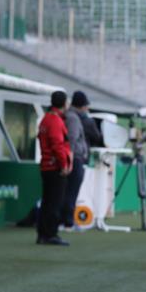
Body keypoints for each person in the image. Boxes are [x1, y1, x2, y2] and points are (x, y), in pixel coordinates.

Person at [36, 90, 72, 245]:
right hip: (55, 167)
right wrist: (64, 164)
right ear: (64, 104)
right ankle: (51, 234)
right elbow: (58, 145)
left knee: (47, 201)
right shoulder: (56, 121)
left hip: (46, 166)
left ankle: (43, 234)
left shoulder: (45, 119)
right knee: (55, 202)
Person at [61, 91, 90, 232]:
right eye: (85, 106)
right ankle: (68, 223)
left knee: (69, 192)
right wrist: (70, 159)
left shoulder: (71, 116)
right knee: (71, 192)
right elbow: (71, 139)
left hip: (73, 158)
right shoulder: (73, 118)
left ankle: (67, 221)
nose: (87, 109)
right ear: (81, 106)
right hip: (74, 159)